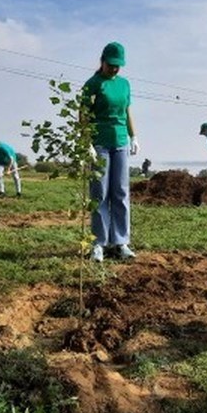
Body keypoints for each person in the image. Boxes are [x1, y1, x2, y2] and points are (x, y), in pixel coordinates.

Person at [83, 41, 138, 262]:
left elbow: (127, 111)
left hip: (121, 142)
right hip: (100, 143)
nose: (114, 69)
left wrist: (134, 135)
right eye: (111, 64)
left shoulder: (124, 84)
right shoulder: (93, 84)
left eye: (118, 65)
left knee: (121, 192)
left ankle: (120, 242)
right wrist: (86, 142)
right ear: (102, 60)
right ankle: (98, 243)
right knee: (100, 194)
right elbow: (84, 115)